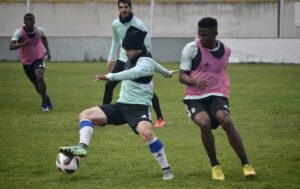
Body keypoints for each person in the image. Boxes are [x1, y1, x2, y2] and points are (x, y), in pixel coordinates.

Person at [59, 26, 176, 180]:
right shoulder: (132, 57)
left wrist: (110, 76)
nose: (125, 51)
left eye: (128, 49)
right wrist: (168, 73)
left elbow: (133, 73)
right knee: (85, 115)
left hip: (138, 109)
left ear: (138, 48)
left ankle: (166, 169)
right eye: (124, 48)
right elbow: (161, 69)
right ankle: (82, 148)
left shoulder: (146, 62)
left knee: (146, 133)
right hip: (120, 106)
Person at [178, 17, 256, 181]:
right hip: (194, 97)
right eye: (199, 34)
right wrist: (195, 81)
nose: (201, 38)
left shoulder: (226, 51)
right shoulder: (191, 49)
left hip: (216, 94)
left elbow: (221, 72)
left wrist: (221, 89)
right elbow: (181, 76)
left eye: (205, 35)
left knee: (225, 119)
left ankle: (246, 163)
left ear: (215, 34)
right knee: (204, 123)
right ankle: (215, 165)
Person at [104, 0, 165, 127]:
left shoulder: (139, 24)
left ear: (131, 8)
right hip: (122, 59)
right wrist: (111, 58)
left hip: (137, 59)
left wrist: (142, 60)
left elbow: (148, 44)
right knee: (109, 85)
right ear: (118, 9)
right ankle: (104, 115)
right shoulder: (115, 24)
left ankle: (160, 118)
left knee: (146, 89)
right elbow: (115, 41)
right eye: (121, 7)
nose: (124, 9)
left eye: (126, 7)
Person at [9, 13, 53, 112]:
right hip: (27, 62)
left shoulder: (39, 30)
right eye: (27, 20)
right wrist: (22, 44)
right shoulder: (19, 33)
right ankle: (45, 97)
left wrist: (48, 52)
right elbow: (11, 46)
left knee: (40, 76)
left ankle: (44, 103)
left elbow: (44, 38)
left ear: (34, 21)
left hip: (38, 58)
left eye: (31, 20)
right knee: (37, 84)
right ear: (24, 22)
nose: (29, 22)